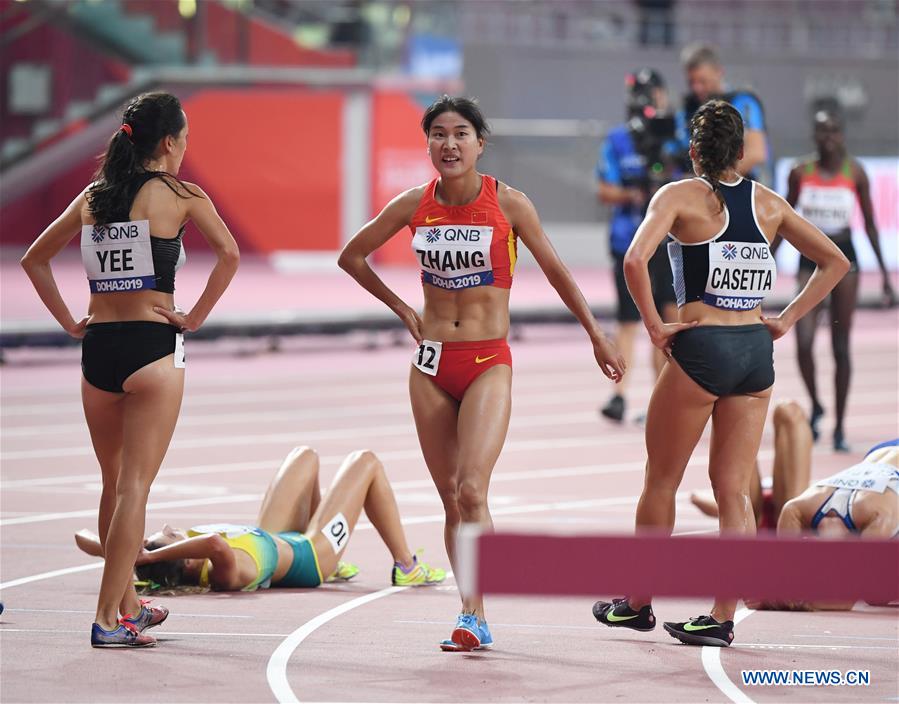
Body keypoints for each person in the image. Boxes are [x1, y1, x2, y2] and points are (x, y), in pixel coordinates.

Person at [339, 95, 625, 652]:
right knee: (450, 497)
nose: (449, 144)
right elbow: (352, 256)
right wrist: (403, 310)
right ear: (428, 144)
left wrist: (596, 333)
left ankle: (475, 613)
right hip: (430, 368)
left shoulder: (509, 204)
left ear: (480, 142)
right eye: (438, 134)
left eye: (460, 134)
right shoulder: (412, 205)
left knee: (473, 490)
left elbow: (557, 271)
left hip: (488, 361)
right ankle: (470, 607)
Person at [591, 99, 849, 648]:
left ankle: (636, 603)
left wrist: (657, 327)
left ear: (692, 150)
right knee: (734, 489)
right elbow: (836, 261)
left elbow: (635, 260)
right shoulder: (769, 204)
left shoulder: (678, 195)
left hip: (703, 347)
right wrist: (786, 319)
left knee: (661, 479)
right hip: (756, 353)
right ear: (742, 152)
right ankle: (721, 615)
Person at [20, 92, 240, 648]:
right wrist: (195, 316)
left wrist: (72, 322)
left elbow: (34, 259)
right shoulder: (183, 195)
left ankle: (129, 606)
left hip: (98, 352)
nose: (186, 148)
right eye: (185, 138)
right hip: (153, 347)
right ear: (168, 142)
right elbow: (229, 255)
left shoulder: (93, 196)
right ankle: (105, 619)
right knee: (135, 489)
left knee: (113, 484)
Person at [74, 447, 446, 597]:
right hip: (311, 556)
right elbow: (216, 544)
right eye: (167, 534)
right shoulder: (221, 573)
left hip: (273, 534)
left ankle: (355, 556)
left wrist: (123, 553)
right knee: (365, 462)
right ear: (181, 558)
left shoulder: (181, 557)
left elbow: (82, 537)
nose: (170, 526)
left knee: (305, 456)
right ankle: (406, 565)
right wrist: (151, 557)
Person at [781, 104, 896, 451]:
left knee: (840, 346)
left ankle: (841, 427)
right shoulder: (801, 172)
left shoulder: (855, 172)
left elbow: (872, 225)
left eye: (833, 131)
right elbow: (782, 219)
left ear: (842, 135)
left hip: (845, 260)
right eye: (821, 131)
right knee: (802, 342)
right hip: (810, 258)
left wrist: (887, 277)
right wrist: (764, 260)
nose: (827, 138)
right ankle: (816, 403)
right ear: (814, 135)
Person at [596, 68, 679, 423]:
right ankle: (618, 396)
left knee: (669, 319)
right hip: (628, 242)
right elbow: (604, 190)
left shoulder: (676, 138)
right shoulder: (616, 140)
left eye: (652, 93)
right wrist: (635, 194)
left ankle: (667, 396)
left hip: (669, 243)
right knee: (628, 321)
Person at [747, 439, 898, 611]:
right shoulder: (795, 510)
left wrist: (780, 599)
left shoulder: (796, 509)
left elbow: (846, 600)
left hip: (878, 456)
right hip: (878, 463)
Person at [690, 399, 812, 530]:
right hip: (755, 513)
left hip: (783, 514)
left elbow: (700, 500)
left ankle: (792, 533)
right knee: (735, 417)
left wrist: (708, 502)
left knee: (790, 411)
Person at [674, 43, 771, 184]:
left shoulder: (743, 102)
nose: (697, 88)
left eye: (702, 81)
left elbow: (756, 153)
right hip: (702, 192)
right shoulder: (688, 108)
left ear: (719, 72)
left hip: (742, 189)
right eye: (691, 82)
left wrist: (710, 181)